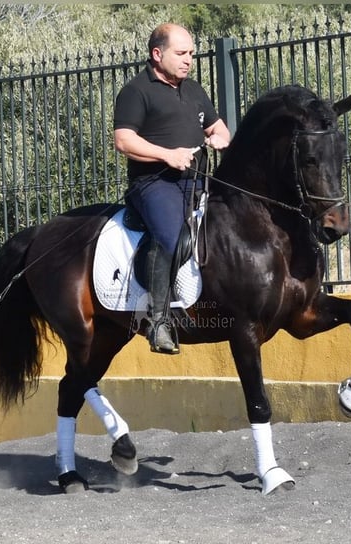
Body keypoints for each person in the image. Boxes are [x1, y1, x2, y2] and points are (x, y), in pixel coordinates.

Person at [114, 22, 231, 354]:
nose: (188, 60)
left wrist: (220, 137)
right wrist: (167, 155)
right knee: (169, 235)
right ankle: (158, 321)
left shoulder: (193, 89)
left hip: (197, 181)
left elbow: (218, 127)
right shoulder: (136, 91)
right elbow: (123, 141)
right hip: (154, 184)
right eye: (181, 53)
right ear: (157, 53)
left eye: (191, 53)